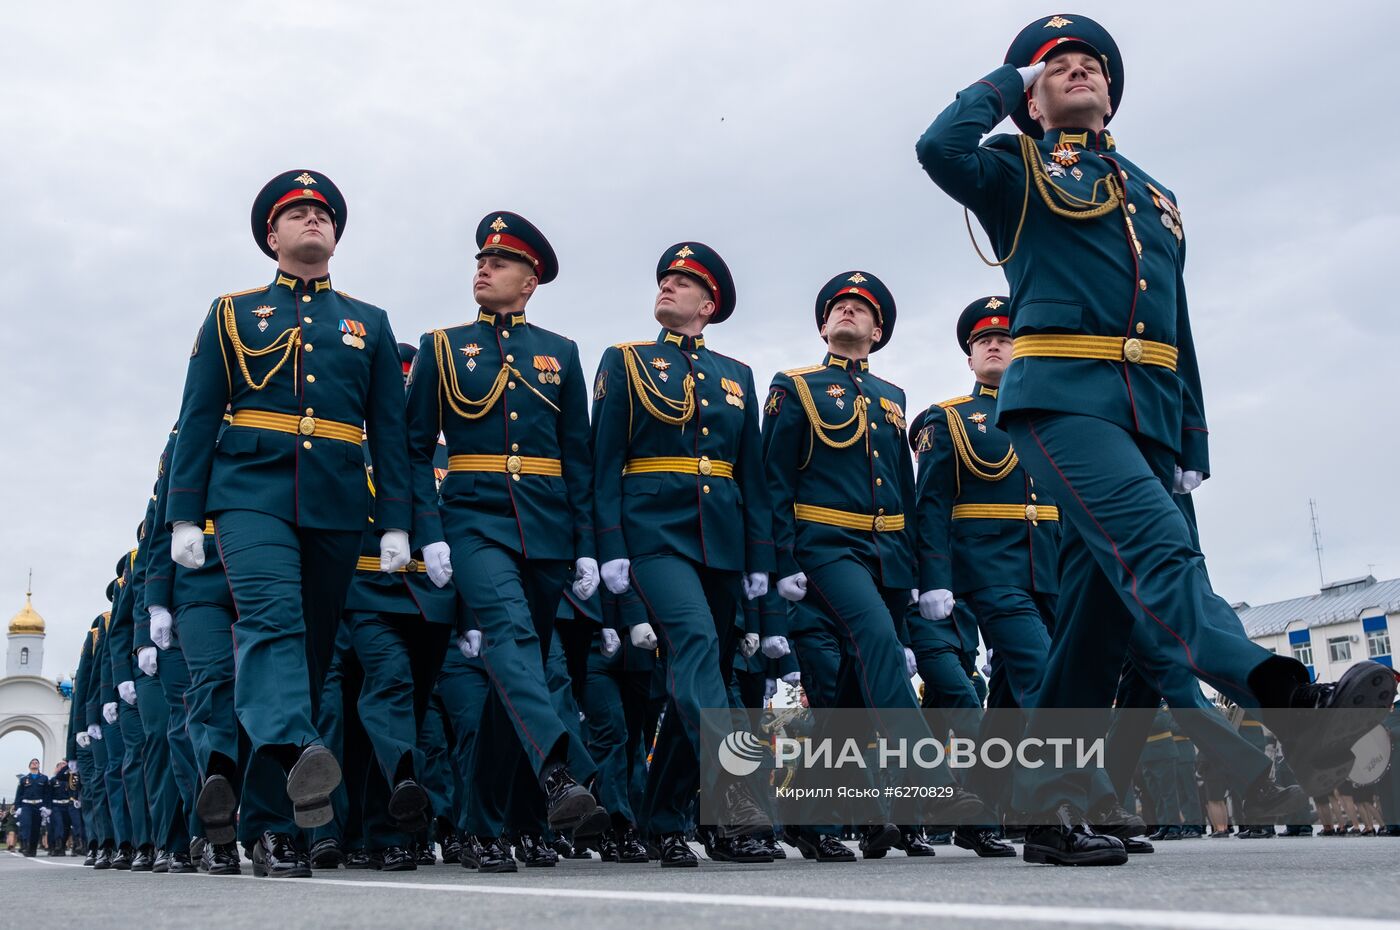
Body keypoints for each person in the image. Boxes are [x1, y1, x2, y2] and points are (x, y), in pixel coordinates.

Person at [915, 13, 1397, 863]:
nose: (1078, 67)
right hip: (1062, 403)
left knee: (1095, 627)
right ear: (1032, 94)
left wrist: (1189, 445)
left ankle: (1047, 807)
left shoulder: (1155, 195)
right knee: (1169, 565)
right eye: (1057, 62)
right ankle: (1295, 706)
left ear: (1112, 91)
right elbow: (937, 147)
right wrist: (1006, 78)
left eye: (1090, 61)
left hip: (1148, 418)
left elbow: (1178, 324)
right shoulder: (1015, 169)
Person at [166, 169, 413, 877]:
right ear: (271, 236)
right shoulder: (232, 312)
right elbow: (199, 415)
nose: (312, 218)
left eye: (322, 212)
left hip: (337, 503)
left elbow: (388, 436)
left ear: (335, 233)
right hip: (249, 493)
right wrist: (186, 514)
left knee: (303, 663)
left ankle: (272, 822)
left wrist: (393, 521)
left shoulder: (368, 322)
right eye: (296, 212)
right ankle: (297, 775)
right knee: (271, 622)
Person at [762, 270, 984, 855]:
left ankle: (807, 811)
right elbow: (775, 479)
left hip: (884, 552)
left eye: (860, 308)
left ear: (877, 329)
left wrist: (915, 573)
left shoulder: (892, 397)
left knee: (851, 693)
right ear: (823, 324)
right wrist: (781, 557)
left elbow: (905, 493)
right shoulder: (795, 384)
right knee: (877, 640)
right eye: (838, 306)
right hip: (824, 543)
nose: (847, 312)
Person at [405, 211, 604, 849]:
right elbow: (413, 449)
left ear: (530, 280)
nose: (482, 269)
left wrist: (588, 546)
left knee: (510, 678)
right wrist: (428, 529)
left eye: (499, 263)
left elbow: (579, 455)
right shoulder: (441, 346)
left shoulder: (561, 353)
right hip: (473, 518)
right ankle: (559, 772)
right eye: (480, 261)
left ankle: (481, 823)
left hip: (546, 528)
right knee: (513, 639)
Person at [591, 241, 776, 866]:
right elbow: (604, 465)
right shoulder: (625, 361)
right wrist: (610, 548)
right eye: (664, 278)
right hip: (653, 535)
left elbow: (751, 475)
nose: (667, 286)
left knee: (694, 681)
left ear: (709, 303)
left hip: (720, 539)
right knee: (694, 645)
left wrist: (758, 558)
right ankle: (738, 788)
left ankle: (664, 821)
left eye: (683, 281)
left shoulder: (737, 376)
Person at [14, 758, 50, 857]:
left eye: (36, 762)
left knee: (35, 828)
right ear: (29, 766)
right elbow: (19, 794)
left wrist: (46, 807)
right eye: (32, 763)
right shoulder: (24, 779)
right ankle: (25, 846)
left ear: (39, 765)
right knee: (26, 826)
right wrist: (18, 807)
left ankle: (33, 849)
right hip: (26, 805)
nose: (34, 763)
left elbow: (47, 794)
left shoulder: (44, 778)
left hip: (38, 806)